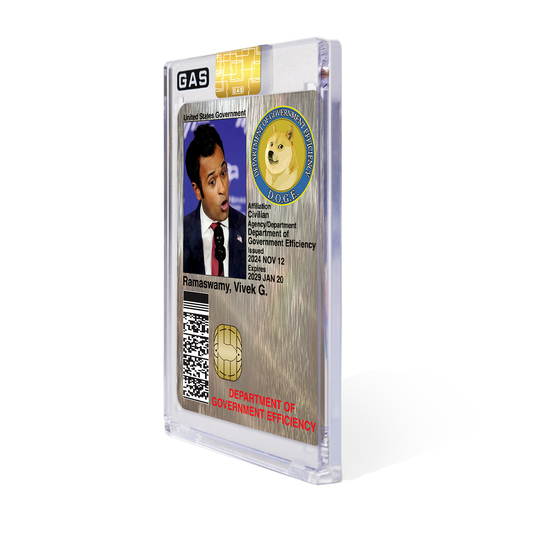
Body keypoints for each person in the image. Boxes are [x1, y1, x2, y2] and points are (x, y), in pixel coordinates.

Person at [184, 124, 246, 278]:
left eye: (224, 173)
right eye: (212, 182)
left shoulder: (248, 230)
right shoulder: (180, 235)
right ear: (198, 191)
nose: (223, 188)